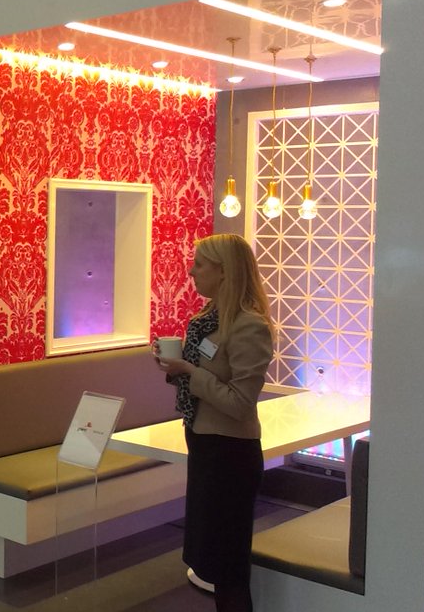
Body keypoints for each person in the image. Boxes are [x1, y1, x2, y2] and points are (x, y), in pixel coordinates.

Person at [154, 233, 273, 612]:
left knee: (228, 567)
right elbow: (207, 380)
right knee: (213, 558)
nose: (191, 272)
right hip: (205, 446)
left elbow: (239, 402)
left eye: (200, 265)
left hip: (230, 454)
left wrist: (190, 371)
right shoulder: (206, 321)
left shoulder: (249, 326)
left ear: (224, 272)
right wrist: (177, 370)